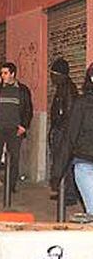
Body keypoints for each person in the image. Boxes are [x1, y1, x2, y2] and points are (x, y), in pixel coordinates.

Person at [0, 62, 33, 194]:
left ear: (12, 74)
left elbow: (28, 110)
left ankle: (11, 185)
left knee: (14, 157)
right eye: (1, 73)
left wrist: (24, 126)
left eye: (5, 73)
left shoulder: (22, 90)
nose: (2, 76)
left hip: (15, 130)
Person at [51, 63, 93, 214]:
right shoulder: (82, 103)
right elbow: (69, 137)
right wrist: (57, 172)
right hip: (86, 165)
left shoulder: (69, 91)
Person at [48, 58, 80, 206]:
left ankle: (69, 194)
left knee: (65, 163)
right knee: (60, 161)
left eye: (54, 74)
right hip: (59, 130)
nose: (52, 77)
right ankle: (63, 191)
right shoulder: (62, 88)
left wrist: (62, 129)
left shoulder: (68, 89)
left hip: (64, 132)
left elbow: (69, 113)